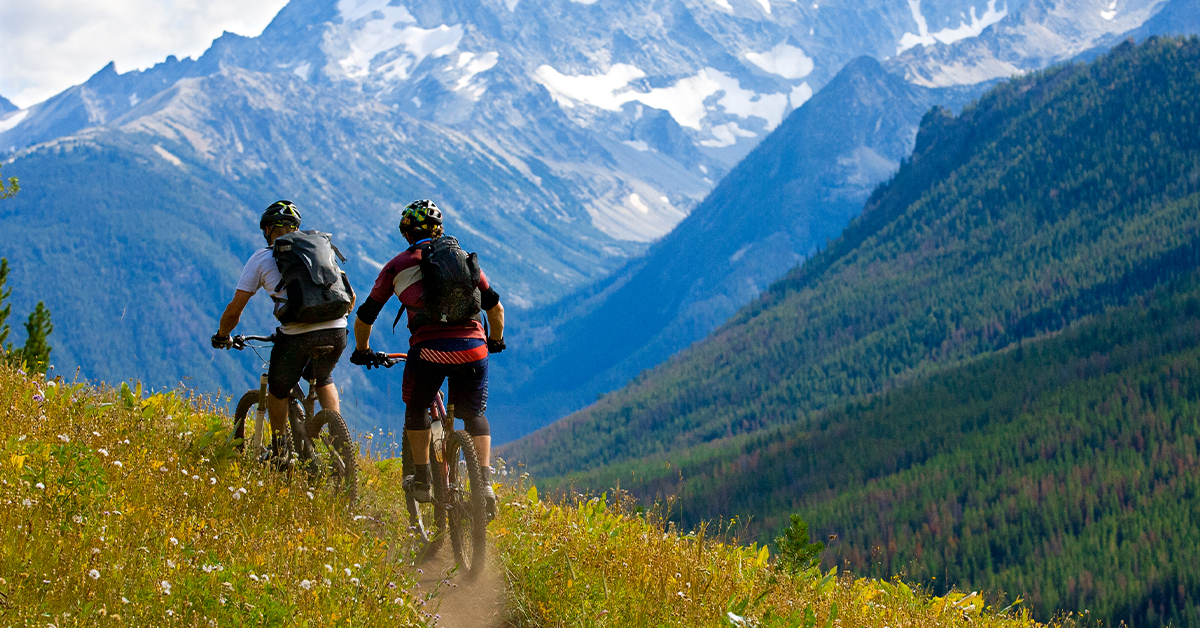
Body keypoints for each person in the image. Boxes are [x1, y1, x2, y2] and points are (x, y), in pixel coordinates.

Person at [350, 199, 505, 515]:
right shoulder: (464, 259)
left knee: (417, 407)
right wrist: (495, 340)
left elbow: (366, 315)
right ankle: (485, 483)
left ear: (407, 233)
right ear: (440, 230)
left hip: (429, 352)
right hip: (474, 350)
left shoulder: (397, 266)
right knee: (474, 415)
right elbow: (495, 308)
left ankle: (422, 479)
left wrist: (362, 350)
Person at [211, 200, 353, 463]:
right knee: (323, 377)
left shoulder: (263, 258)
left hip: (297, 333)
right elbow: (347, 293)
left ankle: (281, 452)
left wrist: (222, 335)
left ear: (268, 230)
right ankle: (340, 447)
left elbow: (235, 310)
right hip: (338, 330)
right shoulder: (319, 248)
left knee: (278, 390)